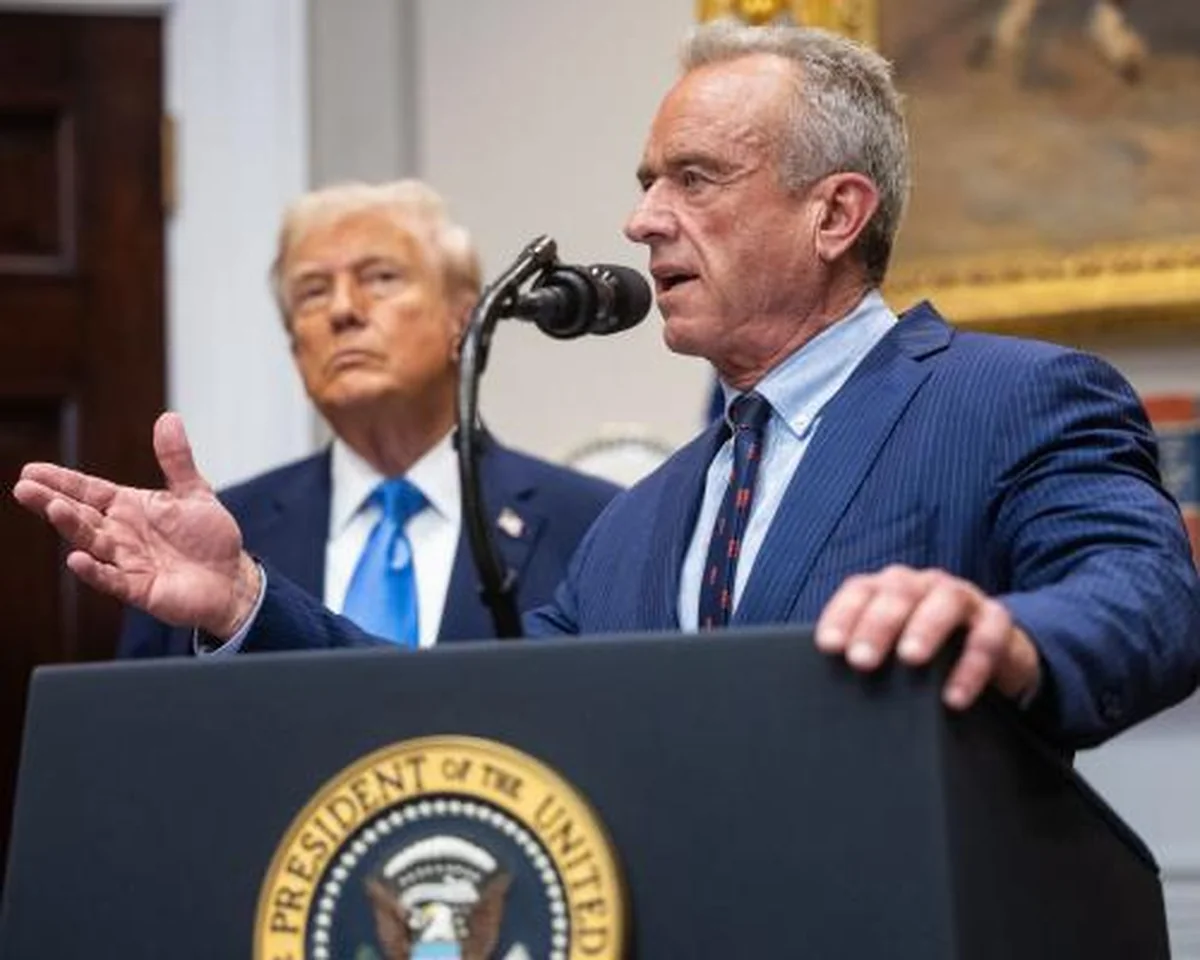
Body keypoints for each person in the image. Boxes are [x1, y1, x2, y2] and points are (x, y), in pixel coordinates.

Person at [14, 22, 1199, 749]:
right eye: (646, 183)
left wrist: (1012, 636)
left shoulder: (1010, 401)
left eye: (695, 179)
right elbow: (470, 720)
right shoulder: (641, 521)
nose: (642, 222)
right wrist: (242, 603)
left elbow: (1149, 597)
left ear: (837, 213)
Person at [117, 180, 619, 656]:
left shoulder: (595, 524)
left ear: (464, 320)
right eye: (313, 291)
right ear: (295, 346)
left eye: (381, 278)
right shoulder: (212, 545)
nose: (343, 310)